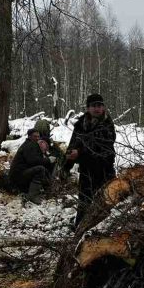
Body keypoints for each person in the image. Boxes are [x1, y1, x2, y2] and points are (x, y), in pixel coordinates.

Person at [66, 94, 116, 227]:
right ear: (88, 108)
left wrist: (80, 152)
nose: (97, 109)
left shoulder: (107, 124)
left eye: (99, 105)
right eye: (94, 106)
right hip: (87, 170)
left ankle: (106, 230)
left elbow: (101, 144)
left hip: (105, 170)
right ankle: (80, 230)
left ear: (103, 107)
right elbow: (73, 144)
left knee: (107, 202)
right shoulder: (81, 124)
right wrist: (66, 166)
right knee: (84, 202)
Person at [8, 129, 54, 204]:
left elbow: (36, 159)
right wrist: (48, 160)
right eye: (35, 136)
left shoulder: (32, 144)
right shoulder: (29, 145)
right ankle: (33, 196)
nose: (37, 138)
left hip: (21, 174)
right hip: (18, 176)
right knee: (40, 169)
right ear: (29, 136)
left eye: (38, 136)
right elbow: (32, 161)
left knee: (42, 169)